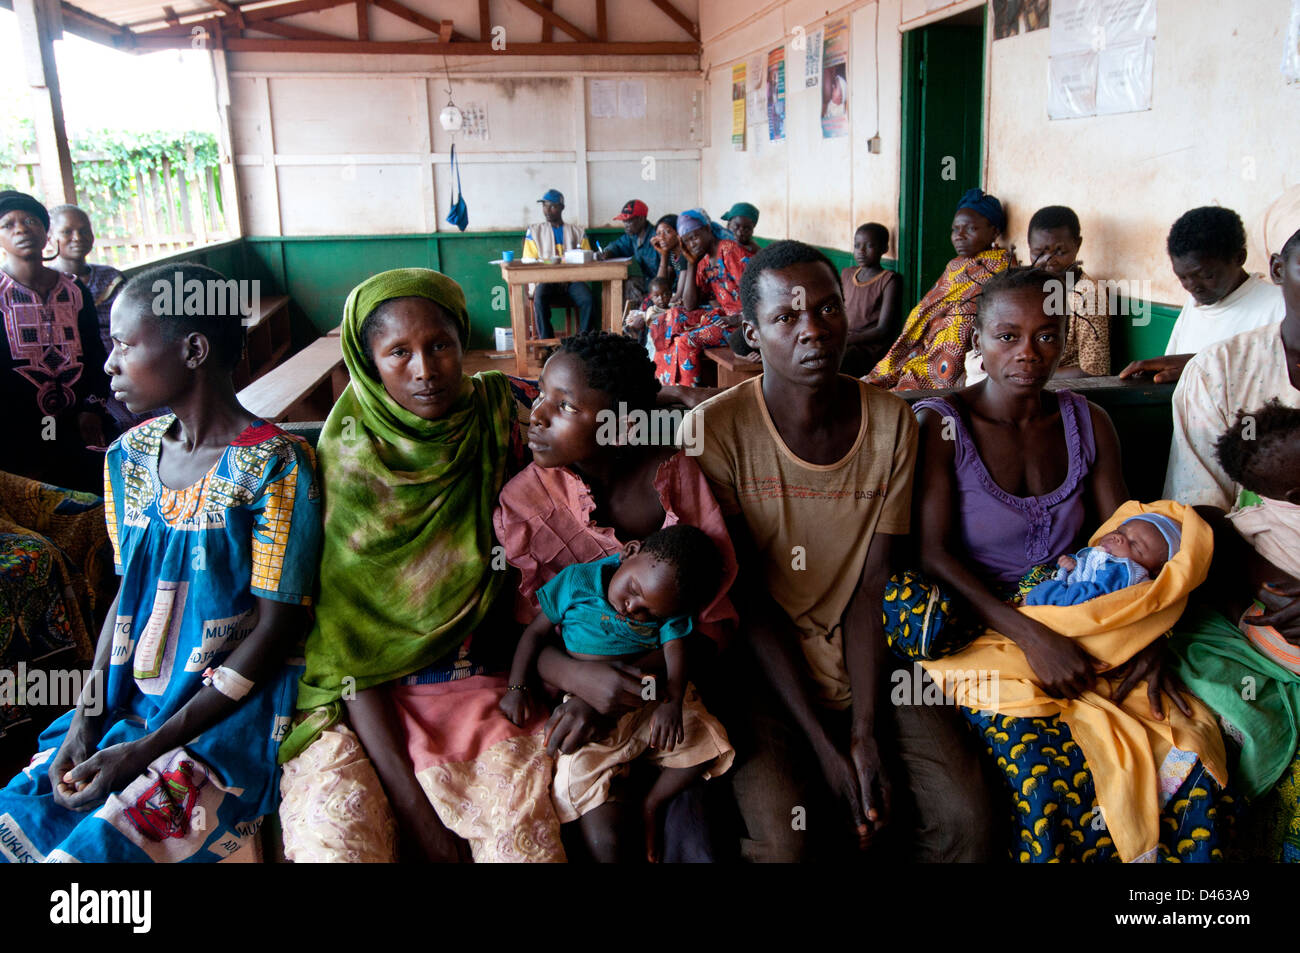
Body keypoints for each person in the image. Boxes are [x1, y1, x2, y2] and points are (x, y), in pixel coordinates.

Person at [899, 266, 1232, 862]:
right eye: (1007, 336)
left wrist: (1144, 635)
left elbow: (1121, 530)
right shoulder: (942, 426)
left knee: (1190, 751)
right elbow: (932, 554)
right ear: (976, 338)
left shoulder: (1087, 421)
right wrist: (1032, 636)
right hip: (990, 631)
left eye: (1046, 336)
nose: (1028, 353)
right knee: (1050, 778)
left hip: (1093, 621)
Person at [685, 240, 998, 862]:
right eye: (786, 318)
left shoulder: (891, 425)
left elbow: (873, 583)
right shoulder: (717, 432)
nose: (814, 331)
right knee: (788, 841)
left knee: (968, 821)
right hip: (761, 669)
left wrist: (863, 733)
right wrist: (826, 747)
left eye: (829, 310)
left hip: (872, 655)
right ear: (751, 333)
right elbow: (747, 596)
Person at [0, 262, 321, 862]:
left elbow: (279, 626)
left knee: (103, 849)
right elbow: (130, 598)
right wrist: (85, 719)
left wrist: (144, 750)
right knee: (20, 814)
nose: (108, 363)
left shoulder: (275, 463)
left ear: (194, 349)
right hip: (132, 693)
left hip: (226, 708)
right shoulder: (129, 455)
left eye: (123, 344)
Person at [277, 268, 566, 863]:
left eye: (440, 346)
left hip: (481, 683)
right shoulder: (348, 456)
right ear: (367, 359)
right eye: (398, 352)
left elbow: (591, 409)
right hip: (361, 704)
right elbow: (352, 653)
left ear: (464, 342)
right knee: (335, 847)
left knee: (522, 849)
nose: (425, 370)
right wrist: (412, 808)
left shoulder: (501, 411)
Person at [493, 331, 739, 862]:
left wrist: (638, 682)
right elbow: (523, 627)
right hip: (571, 705)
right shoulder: (527, 500)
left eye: (564, 407)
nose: (537, 415)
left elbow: (715, 622)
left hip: (675, 696)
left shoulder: (674, 479)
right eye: (539, 396)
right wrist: (577, 679)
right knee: (607, 841)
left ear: (619, 425)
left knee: (700, 846)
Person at [501, 526, 733, 862]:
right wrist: (516, 688)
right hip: (589, 707)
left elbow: (675, 652)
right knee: (571, 781)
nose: (631, 608)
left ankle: (651, 803)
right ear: (629, 552)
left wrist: (673, 702)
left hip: (649, 698)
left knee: (709, 739)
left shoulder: (667, 598)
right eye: (633, 590)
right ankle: (614, 782)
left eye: (648, 613)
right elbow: (534, 635)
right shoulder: (575, 582)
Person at [0, 191, 113, 493]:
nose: (21, 229)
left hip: (77, 417)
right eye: (8, 225)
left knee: (90, 489)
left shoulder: (75, 291)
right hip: (17, 425)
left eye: (30, 221)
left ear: (45, 230)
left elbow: (95, 353)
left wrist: (93, 408)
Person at [868, 188, 1013, 391]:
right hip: (924, 346)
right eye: (955, 229)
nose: (959, 236)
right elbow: (929, 307)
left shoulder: (1000, 267)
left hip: (956, 355)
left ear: (995, 231)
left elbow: (969, 314)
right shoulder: (955, 265)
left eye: (971, 229)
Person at [1121, 206, 1284, 384]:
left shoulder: (1278, 306)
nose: (1192, 287)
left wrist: (1202, 366)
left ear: (1239, 258)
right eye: (1182, 277)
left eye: (1206, 276)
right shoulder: (1194, 303)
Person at [966, 205, 1110, 382]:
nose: (1048, 260)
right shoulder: (1027, 284)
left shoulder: (1088, 296)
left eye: (1060, 251)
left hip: (1050, 384)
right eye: (1038, 252)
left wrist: (1020, 371)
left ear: (1077, 244)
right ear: (1029, 247)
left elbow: (1095, 372)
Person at [647, 210, 750, 386]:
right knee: (663, 322)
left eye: (695, 237)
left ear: (708, 229)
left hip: (746, 323)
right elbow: (689, 305)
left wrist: (740, 318)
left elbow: (757, 291)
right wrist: (692, 263)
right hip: (724, 317)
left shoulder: (728, 250)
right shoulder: (703, 261)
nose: (692, 244)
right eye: (686, 241)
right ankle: (664, 385)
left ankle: (688, 393)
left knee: (687, 339)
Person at [1025, 514, 1181, 607]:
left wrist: (1037, 597)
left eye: (1134, 545)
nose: (1119, 538)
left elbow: (1089, 596)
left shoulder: (1122, 571)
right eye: (1120, 531)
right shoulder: (1105, 557)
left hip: (1068, 605)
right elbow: (1087, 569)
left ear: (1154, 570)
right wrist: (1073, 565)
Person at [48, 204, 124, 357]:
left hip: (118, 360)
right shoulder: (46, 283)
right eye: (67, 232)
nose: (77, 237)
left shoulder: (111, 278)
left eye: (84, 231)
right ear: (50, 239)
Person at [524, 188, 594, 337]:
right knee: (539, 298)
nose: (547, 210)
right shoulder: (534, 231)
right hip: (546, 280)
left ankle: (583, 340)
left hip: (572, 281)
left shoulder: (577, 232)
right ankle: (546, 344)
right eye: (544, 206)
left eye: (552, 206)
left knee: (587, 299)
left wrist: (568, 275)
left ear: (562, 208)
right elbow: (530, 261)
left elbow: (587, 260)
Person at [841, 222, 903, 377]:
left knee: (840, 359)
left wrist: (848, 340)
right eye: (857, 246)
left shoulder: (888, 280)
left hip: (868, 346)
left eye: (869, 246)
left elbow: (882, 330)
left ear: (884, 249)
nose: (861, 251)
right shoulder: (847, 274)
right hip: (845, 337)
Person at [597, 199, 658, 304]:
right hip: (649, 281)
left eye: (629, 220)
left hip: (663, 285)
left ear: (641, 219)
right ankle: (628, 318)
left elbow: (669, 274)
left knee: (631, 287)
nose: (626, 225)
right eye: (624, 221)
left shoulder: (656, 238)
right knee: (624, 285)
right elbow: (617, 246)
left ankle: (639, 316)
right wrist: (607, 252)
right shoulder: (633, 237)